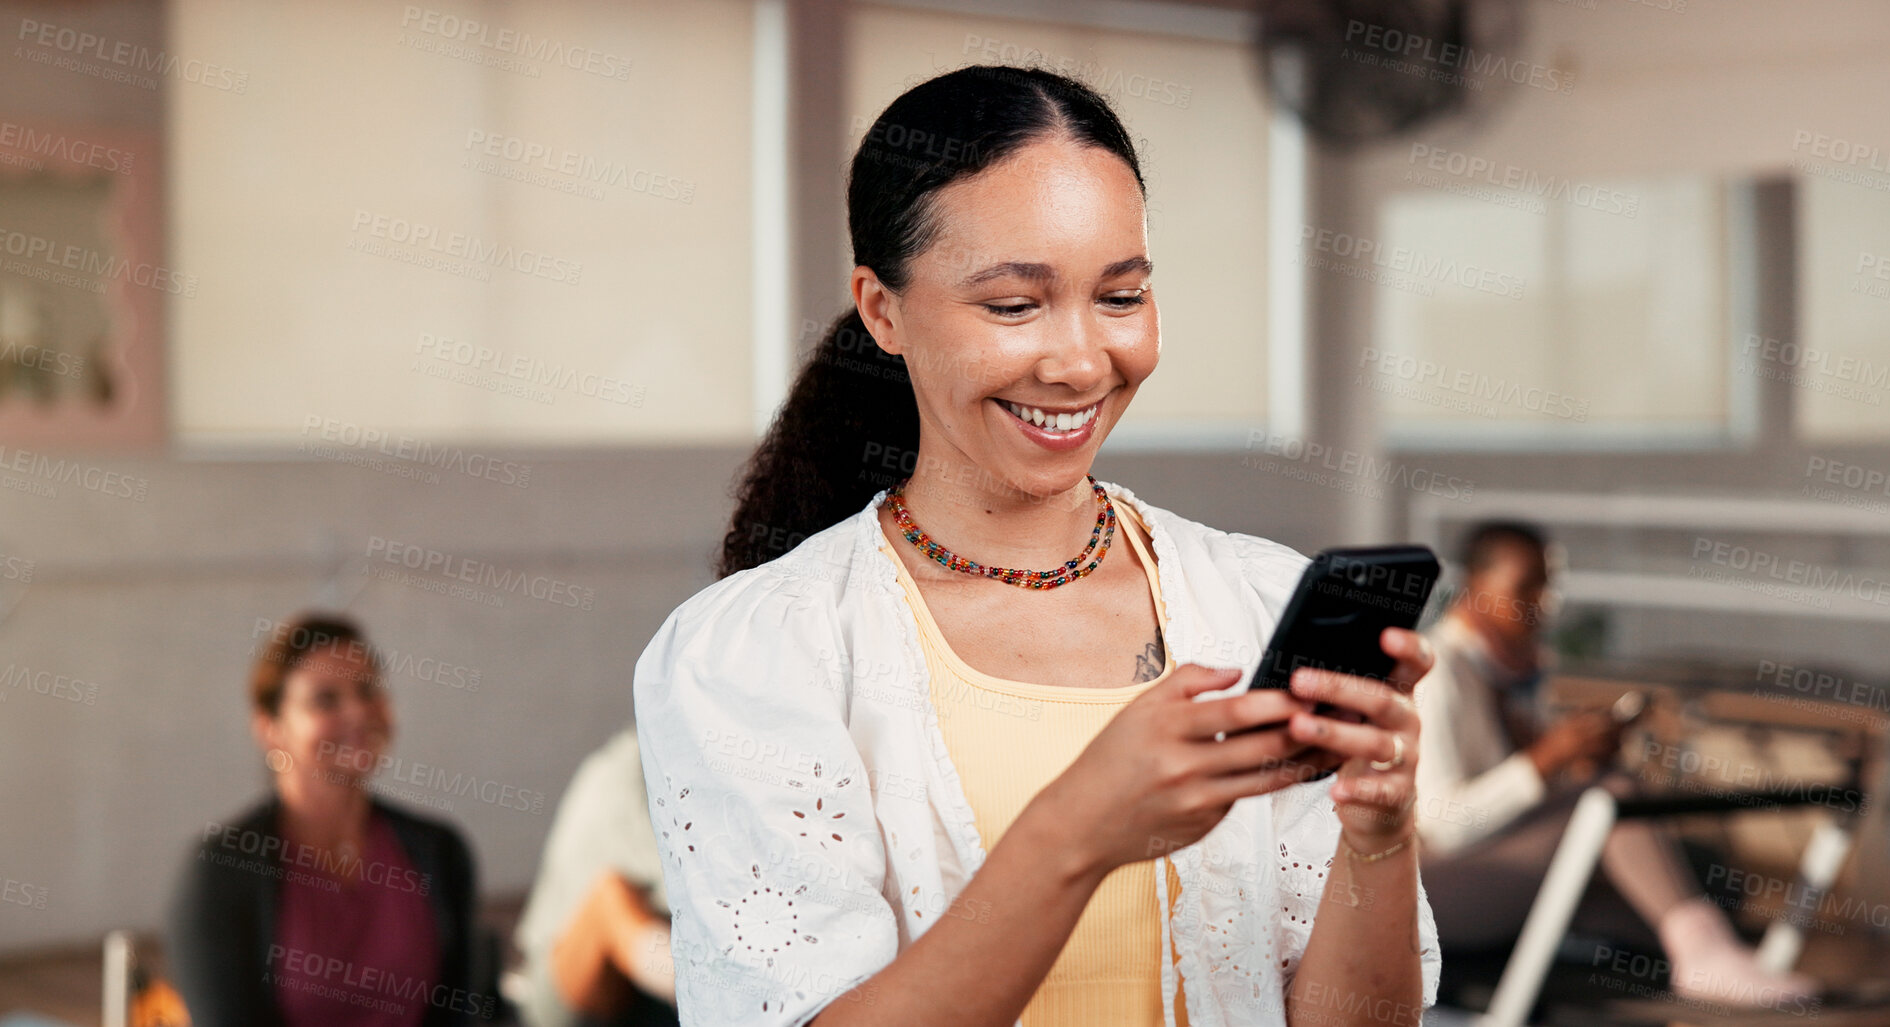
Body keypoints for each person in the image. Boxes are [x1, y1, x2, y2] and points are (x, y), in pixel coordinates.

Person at [633, 64, 1442, 1027]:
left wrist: (1380, 836)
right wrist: (1075, 830)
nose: (1078, 363)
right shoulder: (761, 651)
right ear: (882, 309)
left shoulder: (1256, 599)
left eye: (1120, 296)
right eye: (1014, 306)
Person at [1412, 522, 1819, 1006]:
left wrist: (1571, 759)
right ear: (1475, 586)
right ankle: (1706, 959)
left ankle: (1726, 964)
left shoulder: (1513, 672)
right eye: (1526, 588)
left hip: (1504, 860)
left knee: (1681, 885)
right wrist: (1546, 761)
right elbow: (1443, 825)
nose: (1541, 604)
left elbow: (1525, 793)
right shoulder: (1436, 671)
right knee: (1609, 798)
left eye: (1548, 588)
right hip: (1441, 884)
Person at [166, 613, 490, 1027]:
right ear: (270, 730)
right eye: (326, 700)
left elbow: (459, 1016)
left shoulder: (439, 850)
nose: (358, 712)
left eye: (368, 689)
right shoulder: (221, 869)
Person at [513, 727, 679, 1026]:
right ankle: (699, 991)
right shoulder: (626, 769)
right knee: (612, 897)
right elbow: (678, 886)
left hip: (643, 989)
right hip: (565, 985)